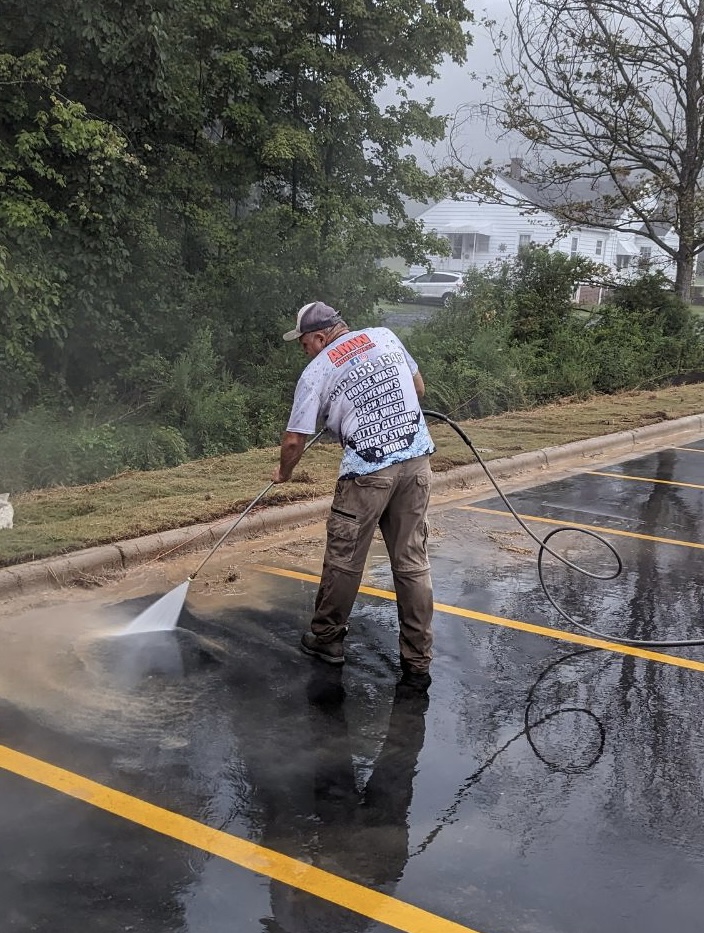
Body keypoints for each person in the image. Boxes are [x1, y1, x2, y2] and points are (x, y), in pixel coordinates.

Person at [272, 300, 436, 693]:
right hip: (416, 463)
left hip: (367, 471)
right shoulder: (385, 335)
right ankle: (418, 659)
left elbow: (295, 440)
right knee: (412, 561)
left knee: (345, 560)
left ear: (318, 336)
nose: (304, 350)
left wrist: (283, 473)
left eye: (304, 343)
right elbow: (418, 388)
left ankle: (327, 640)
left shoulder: (316, 371)